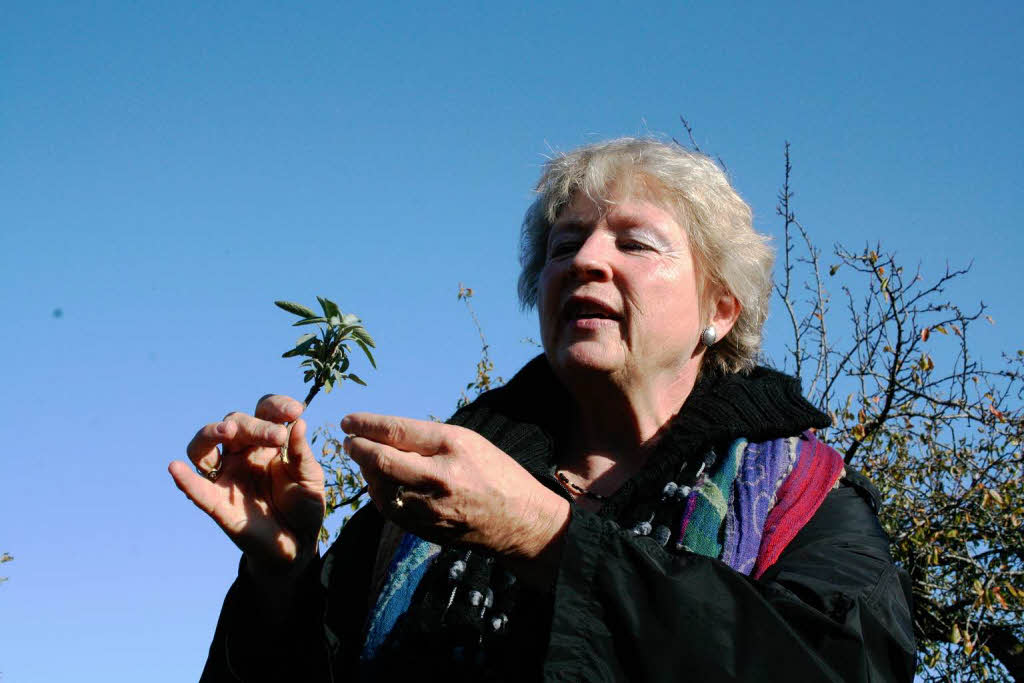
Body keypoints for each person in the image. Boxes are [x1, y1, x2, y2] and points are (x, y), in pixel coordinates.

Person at [170, 138, 916, 682]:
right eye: (565, 245)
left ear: (719, 310)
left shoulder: (806, 501)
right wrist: (283, 579)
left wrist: (549, 535)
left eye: (636, 242)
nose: (587, 259)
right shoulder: (433, 488)